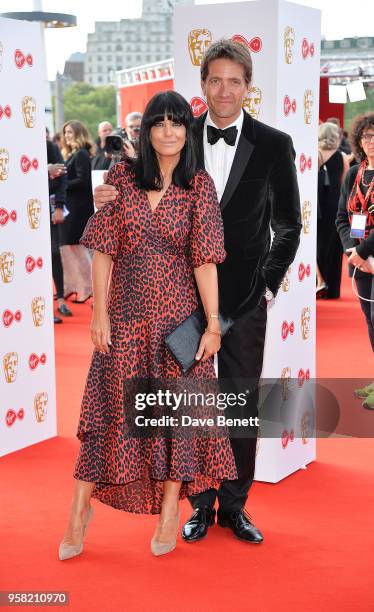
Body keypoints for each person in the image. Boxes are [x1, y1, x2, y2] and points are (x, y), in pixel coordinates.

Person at [93, 39, 302, 545]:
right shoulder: (178, 138)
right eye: (215, 80)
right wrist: (108, 193)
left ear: (248, 87)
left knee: (237, 403)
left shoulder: (274, 143)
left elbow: (288, 225)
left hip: (245, 301)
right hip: (179, 304)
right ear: (203, 85)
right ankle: (197, 504)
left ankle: (234, 505)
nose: (224, 90)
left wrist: (267, 286)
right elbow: (142, 190)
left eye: (235, 81)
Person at [59, 91, 237, 561]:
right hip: (125, 317)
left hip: (178, 323)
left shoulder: (199, 186)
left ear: (187, 130)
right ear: (146, 131)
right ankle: (79, 511)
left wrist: (213, 324)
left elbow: (205, 262)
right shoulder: (121, 179)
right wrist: (98, 313)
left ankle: (169, 510)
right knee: (108, 416)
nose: (168, 131)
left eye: (177, 122)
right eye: (158, 123)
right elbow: (103, 248)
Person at [336, 112, 374, 409]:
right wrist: (352, 250)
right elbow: (341, 217)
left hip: (368, 253)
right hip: (358, 258)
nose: (370, 142)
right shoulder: (354, 174)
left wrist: (364, 251)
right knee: (369, 320)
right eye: (365, 136)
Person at [59, 121, 95, 303]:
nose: (67, 136)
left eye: (70, 132)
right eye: (65, 132)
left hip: (79, 208)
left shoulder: (81, 154)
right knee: (68, 247)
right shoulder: (72, 154)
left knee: (78, 248)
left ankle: (87, 288)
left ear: (79, 133)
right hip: (70, 207)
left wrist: (62, 184)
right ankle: (72, 286)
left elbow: (82, 180)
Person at [316, 122, 349, 298]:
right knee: (335, 247)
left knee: (318, 244)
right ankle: (333, 290)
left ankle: (319, 284)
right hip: (336, 206)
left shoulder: (316, 154)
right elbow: (344, 183)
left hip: (319, 206)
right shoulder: (343, 156)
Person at [47, 138, 72, 322]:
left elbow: (63, 177)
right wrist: (45, 171)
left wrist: (59, 206)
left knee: (54, 253)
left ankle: (61, 300)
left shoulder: (50, 146)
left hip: (49, 206)